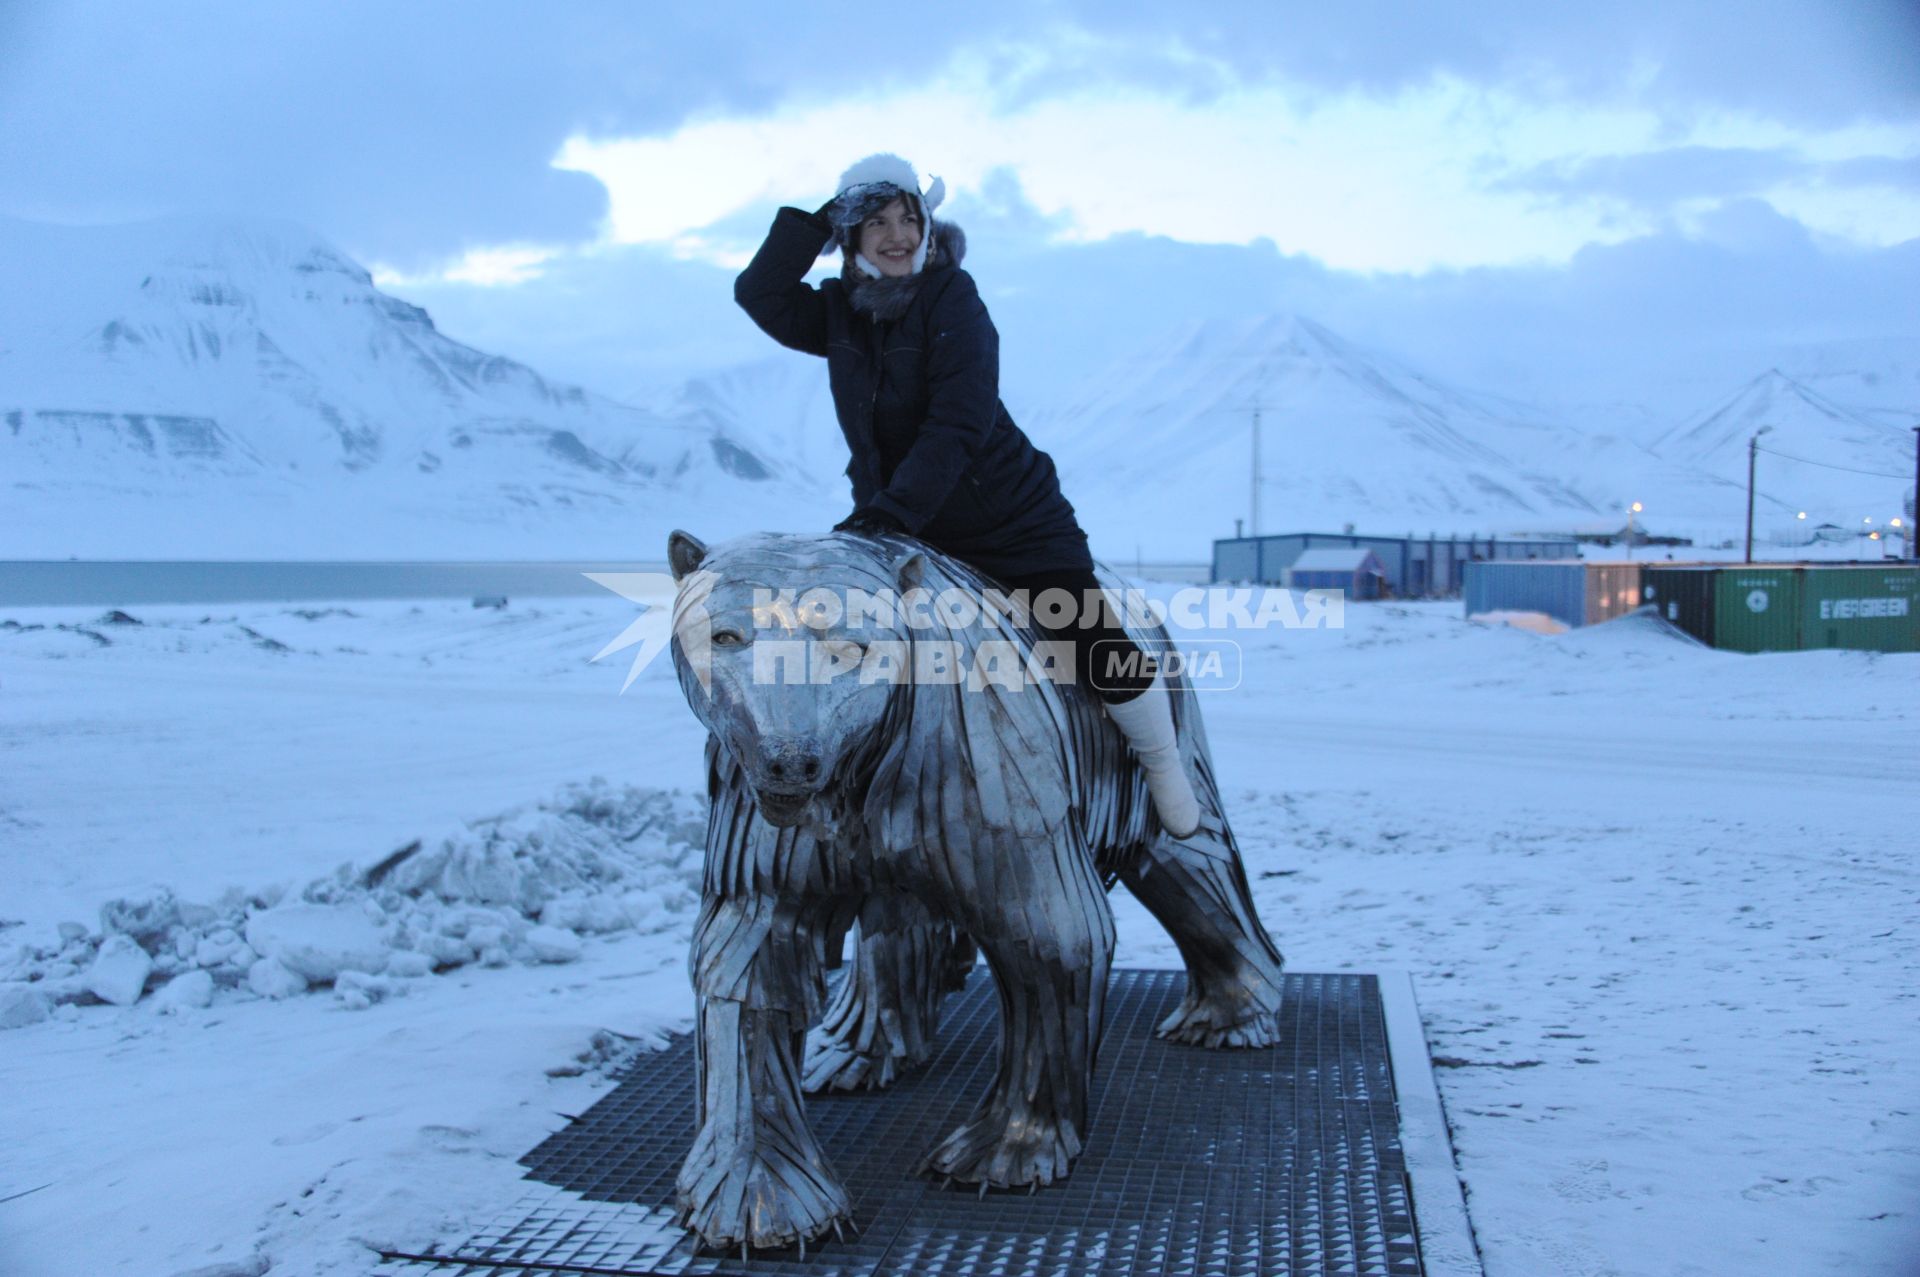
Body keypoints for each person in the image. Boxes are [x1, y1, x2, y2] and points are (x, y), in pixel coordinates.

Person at [732, 152, 1201, 838]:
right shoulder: (838, 312)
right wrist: (815, 223)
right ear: (852, 239)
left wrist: (886, 517)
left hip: (1009, 519)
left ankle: (1164, 764)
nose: (898, 235)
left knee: (1089, 636)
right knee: (845, 643)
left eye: (909, 219)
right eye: (877, 223)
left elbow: (959, 419)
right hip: (901, 525)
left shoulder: (952, 296)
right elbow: (760, 293)